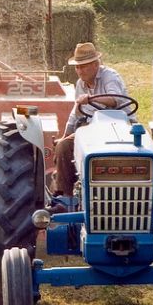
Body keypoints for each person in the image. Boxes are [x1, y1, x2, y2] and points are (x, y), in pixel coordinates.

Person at [53, 42, 135, 197]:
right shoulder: (80, 84)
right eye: (77, 67)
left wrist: (90, 99)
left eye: (83, 66)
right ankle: (66, 196)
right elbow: (74, 114)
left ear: (96, 64)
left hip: (121, 129)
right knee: (63, 146)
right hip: (93, 130)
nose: (79, 70)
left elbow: (115, 99)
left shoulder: (110, 76)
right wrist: (64, 136)